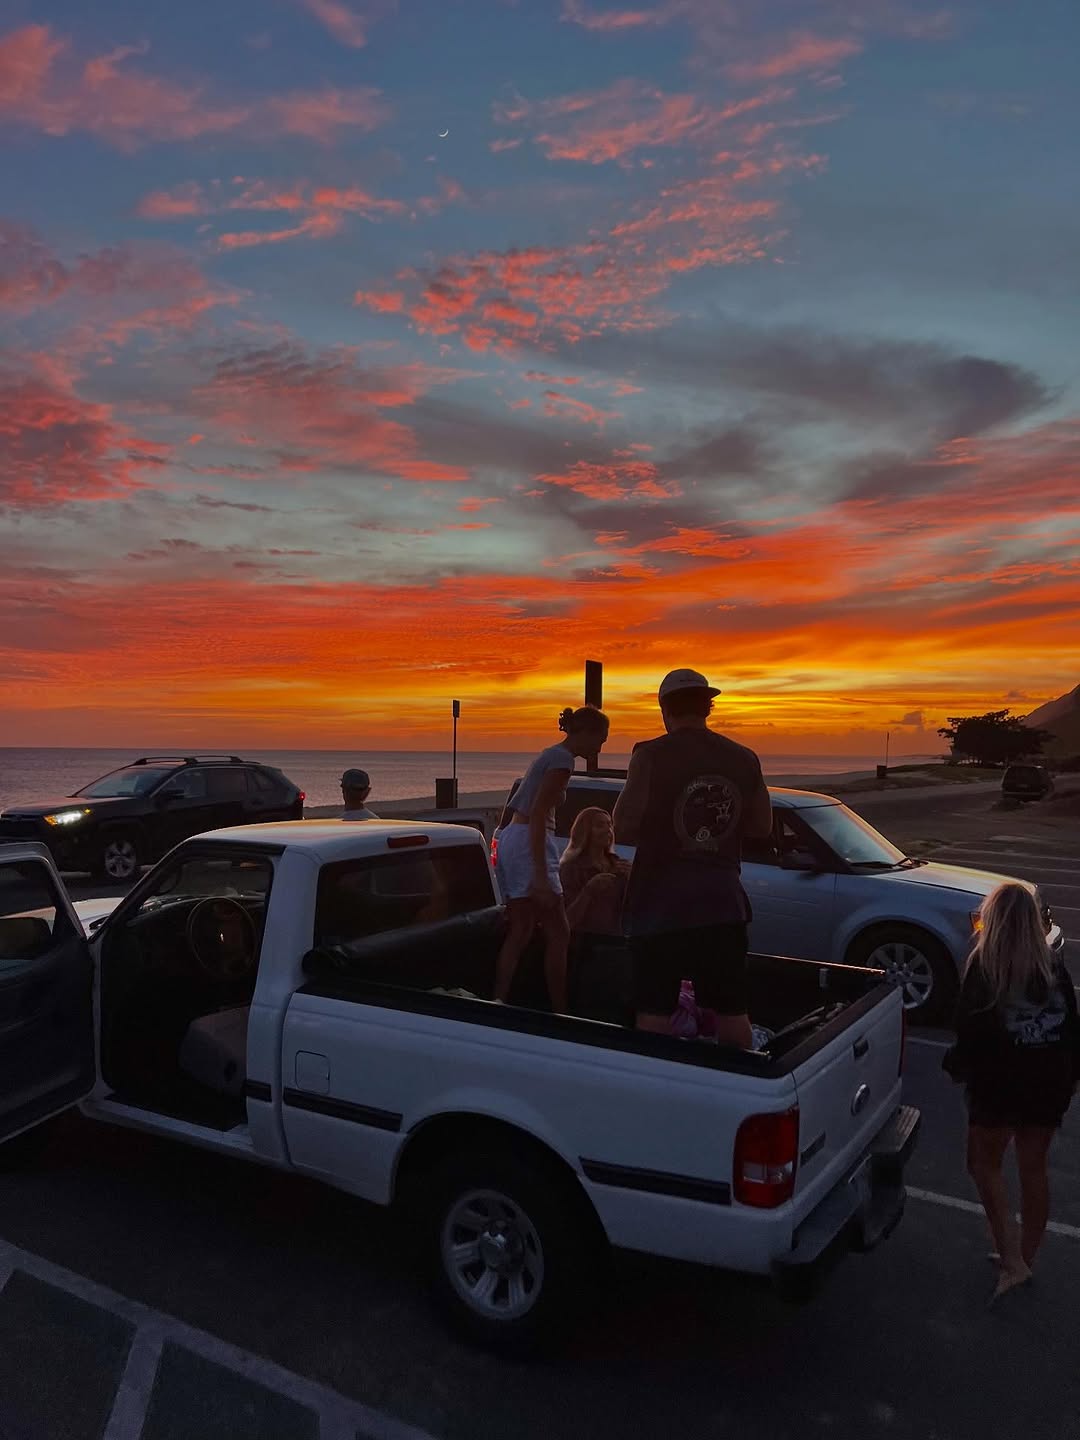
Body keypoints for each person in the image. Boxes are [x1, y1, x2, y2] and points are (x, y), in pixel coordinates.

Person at [612, 668, 772, 1049]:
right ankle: (736, 1075)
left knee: (655, 1011)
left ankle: (656, 1078)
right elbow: (762, 827)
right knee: (731, 1011)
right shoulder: (744, 758)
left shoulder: (649, 755)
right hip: (722, 904)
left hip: (659, 906)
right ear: (707, 707)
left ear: (664, 709)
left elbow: (623, 824)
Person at [943, 881, 1080, 1300]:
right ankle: (1023, 1256)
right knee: (1033, 1168)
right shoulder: (1053, 967)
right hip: (1049, 1083)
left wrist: (957, 1068)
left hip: (1001, 1087)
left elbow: (969, 1032)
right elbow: (1071, 1026)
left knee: (982, 1164)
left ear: (995, 920)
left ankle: (1012, 1258)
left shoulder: (984, 967)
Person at [494, 706, 611, 1013]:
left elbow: (519, 809)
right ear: (586, 733)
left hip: (513, 836)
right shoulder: (562, 760)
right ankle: (560, 1009)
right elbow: (538, 814)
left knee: (520, 930)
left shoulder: (549, 755)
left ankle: (499, 999)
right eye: (600, 740)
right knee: (560, 932)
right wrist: (541, 875)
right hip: (529, 840)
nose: (600, 748)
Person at [560, 807, 628, 939]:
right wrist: (589, 890)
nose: (608, 830)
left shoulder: (619, 865)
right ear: (584, 831)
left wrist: (633, 881)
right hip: (583, 941)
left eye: (610, 825)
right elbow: (565, 920)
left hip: (615, 941)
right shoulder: (571, 868)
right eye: (600, 825)